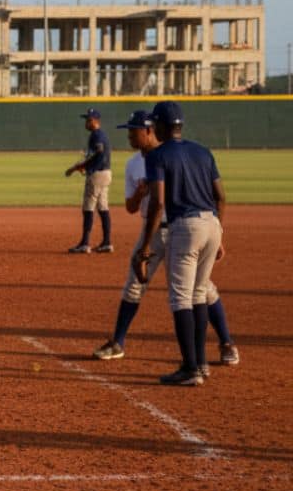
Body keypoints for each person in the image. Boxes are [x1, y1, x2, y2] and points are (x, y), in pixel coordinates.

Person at [92, 111, 239, 365]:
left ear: (150, 130)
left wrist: (219, 237)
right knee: (134, 285)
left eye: (134, 131)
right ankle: (118, 342)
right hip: (154, 230)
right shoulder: (133, 164)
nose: (129, 136)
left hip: (182, 230)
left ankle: (225, 343)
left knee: (202, 289)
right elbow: (131, 207)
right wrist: (139, 195)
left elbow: (189, 198)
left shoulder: (170, 155)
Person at [136, 101, 226, 386]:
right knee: (199, 294)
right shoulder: (202, 151)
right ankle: (200, 363)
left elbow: (158, 202)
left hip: (186, 228)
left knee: (181, 298)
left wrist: (145, 246)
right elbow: (221, 196)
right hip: (212, 224)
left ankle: (190, 368)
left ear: (160, 126)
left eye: (154, 124)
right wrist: (219, 233)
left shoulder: (158, 155)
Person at [66, 108, 114, 253]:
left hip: (97, 175)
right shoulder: (101, 134)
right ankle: (107, 242)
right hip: (106, 173)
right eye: (86, 119)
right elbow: (97, 155)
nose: (86, 122)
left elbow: (98, 152)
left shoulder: (96, 135)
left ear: (95, 121)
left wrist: (79, 167)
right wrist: (85, 166)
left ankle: (85, 243)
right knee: (103, 207)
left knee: (88, 207)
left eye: (89, 119)